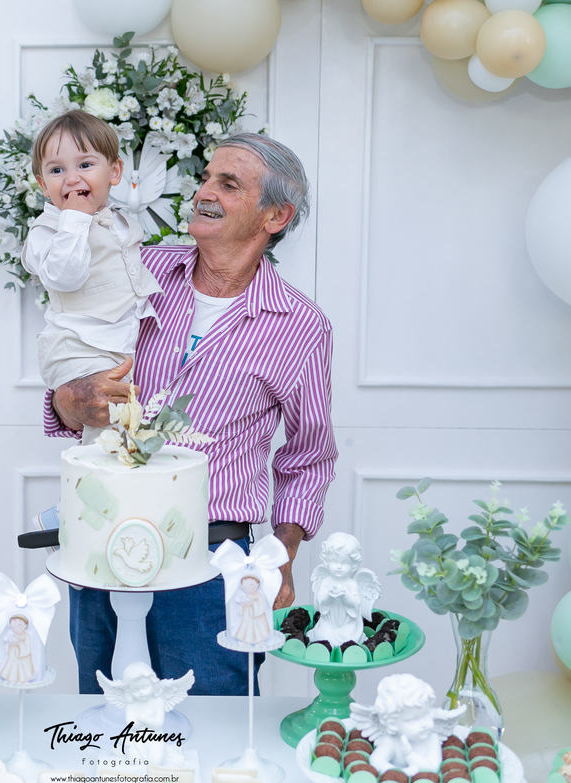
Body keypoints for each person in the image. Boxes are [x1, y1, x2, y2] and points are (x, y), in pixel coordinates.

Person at [44, 133, 338, 694]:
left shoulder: (300, 326)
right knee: (107, 730)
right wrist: (67, 399)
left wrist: (285, 553)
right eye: (205, 177)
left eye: (227, 184)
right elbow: (71, 351)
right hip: (103, 546)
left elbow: (308, 457)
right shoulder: (135, 269)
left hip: (214, 566)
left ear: (274, 215)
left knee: (213, 730)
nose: (203, 191)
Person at [23, 110, 161, 444]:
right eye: (57, 170)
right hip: (77, 347)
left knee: (128, 430)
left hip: (111, 342)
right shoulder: (47, 231)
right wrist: (73, 221)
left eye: (85, 165)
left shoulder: (119, 221)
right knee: (107, 436)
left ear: (114, 171)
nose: (71, 178)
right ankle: (96, 493)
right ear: (43, 185)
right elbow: (64, 276)